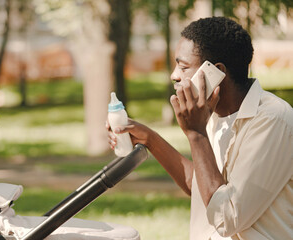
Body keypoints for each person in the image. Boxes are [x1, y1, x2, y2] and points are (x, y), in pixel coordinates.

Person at [107, 17, 292, 240]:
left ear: (216, 72)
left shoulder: (273, 120)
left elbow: (226, 217)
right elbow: (202, 185)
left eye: (183, 67)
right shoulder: (212, 113)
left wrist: (196, 134)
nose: (174, 75)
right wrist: (150, 139)